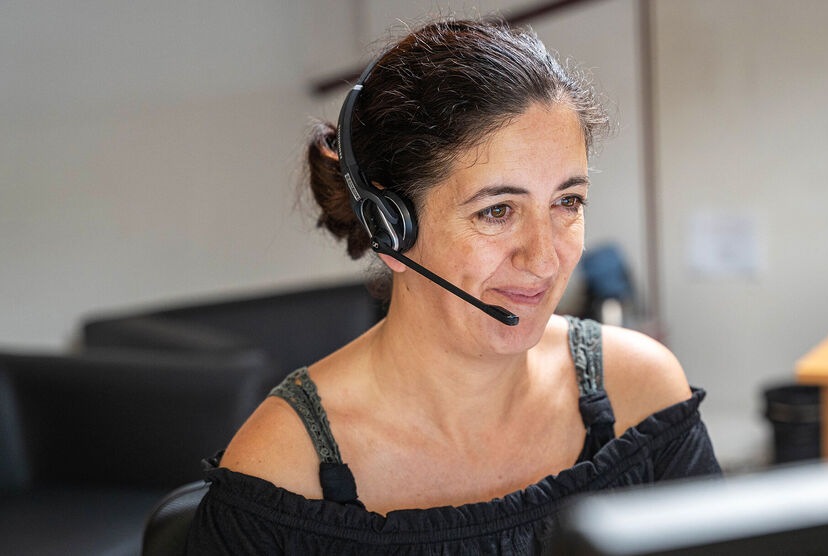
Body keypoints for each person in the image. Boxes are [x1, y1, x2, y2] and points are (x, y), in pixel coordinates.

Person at [186, 19, 720, 554]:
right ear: (389, 228)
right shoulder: (280, 467)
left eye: (567, 202)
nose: (543, 260)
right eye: (497, 211)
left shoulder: (642, 392)